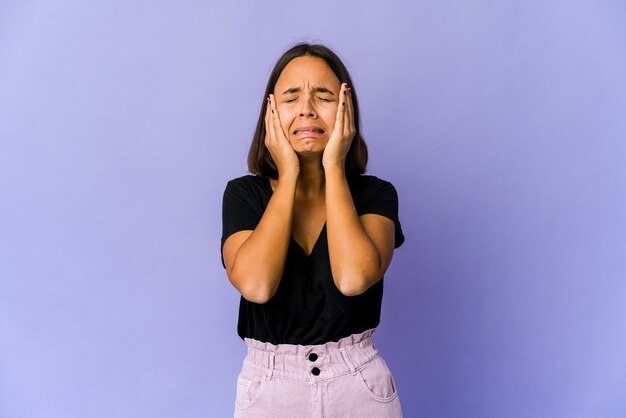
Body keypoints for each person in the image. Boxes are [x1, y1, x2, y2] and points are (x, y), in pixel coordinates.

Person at [221, 43, 405, 417]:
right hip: (270, 388)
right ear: (270, 112)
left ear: (345, 111)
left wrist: (334, 166)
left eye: (323, 96)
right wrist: (288, 174)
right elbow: (256, 286)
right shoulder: (243, 194)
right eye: (291, 97)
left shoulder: (375, 195)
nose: (307, 108)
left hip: (359, 386)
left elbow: (354, 278)